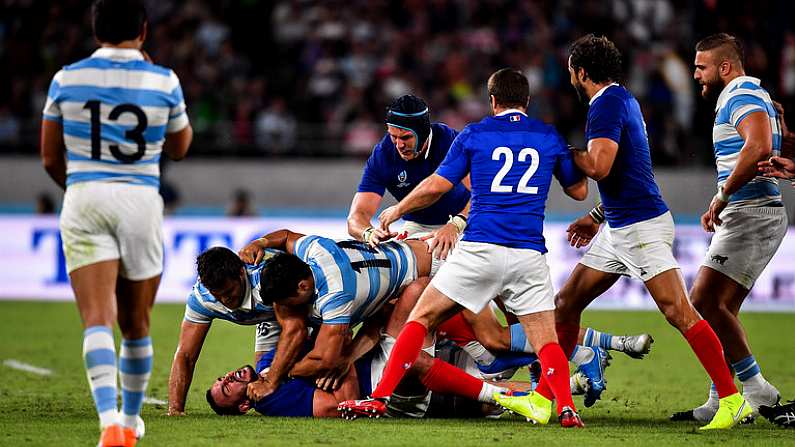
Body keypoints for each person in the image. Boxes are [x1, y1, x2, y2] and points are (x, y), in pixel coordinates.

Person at [339, 68, 589, 428]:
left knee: (421, 317)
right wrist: (572, 155)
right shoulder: (548, 136)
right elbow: (579, 191)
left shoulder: (473, 134)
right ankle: (565, 407)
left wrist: (398, 208)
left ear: (492, 101)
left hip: (479, 247)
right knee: (545, 339)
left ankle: (379, 399)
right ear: (527, 101)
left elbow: (438, 185)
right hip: (528, 252)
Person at [552, 34, 749, 430]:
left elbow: (601, 166)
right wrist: (597, 214)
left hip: (640, 227)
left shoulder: (605, 104)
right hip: (620, 224)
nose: (570, 78)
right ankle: (551, 394)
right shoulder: (622, 98)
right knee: (566, 302)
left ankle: (732, 400)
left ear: (582, 72)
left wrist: (560, 151)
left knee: (679, 311)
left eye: (572, 71)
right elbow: (628, 173)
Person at [39, 1, 192, 445]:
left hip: (85, 196)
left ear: (95, 31)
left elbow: (49, 156)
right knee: (137, 323)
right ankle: (129, 419)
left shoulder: (66, 78)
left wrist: (80, 189)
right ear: (143, 31)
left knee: (97, 319)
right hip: (141, 198)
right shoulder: (163, 79)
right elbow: (180, 147)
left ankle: (109, 422)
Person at [669, 33, 787, 423]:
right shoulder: (753, 96)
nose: (696, 74)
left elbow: (756, 147)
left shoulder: (739, 95)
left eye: (702, 67)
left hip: (751, 211)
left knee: (703, 302)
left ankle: (758, 392)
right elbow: (773, 147)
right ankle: (722, 397)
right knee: (723, 310)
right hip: (751, 211)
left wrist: (721, 195)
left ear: (724, 67)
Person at [167, 246, 291, 416]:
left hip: (292, 307)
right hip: (269, 316)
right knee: (264, 376)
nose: (225, 300)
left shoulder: (266, 279)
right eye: (218, 296)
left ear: (241, 273)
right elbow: (185, 356)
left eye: (229, 292)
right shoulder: (202, 299)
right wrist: (175, 409)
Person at [348, 94, 470, 259]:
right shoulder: (382, 156)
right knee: (406, 281)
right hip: (417, 226)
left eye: (406, 137)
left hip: (464, 222)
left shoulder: (450, 142)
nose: (399, 145)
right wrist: (368, 233)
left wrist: (456, 225)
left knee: (424, 283)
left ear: (423, 133)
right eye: (393, 136)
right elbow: (356, 217)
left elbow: (483, 195)